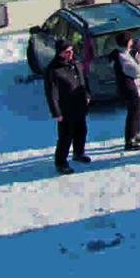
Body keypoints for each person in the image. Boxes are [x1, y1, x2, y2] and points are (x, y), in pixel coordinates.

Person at [43, 38, 91, 175]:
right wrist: (56, 112)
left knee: (81, 130)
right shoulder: (53, 70)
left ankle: (78, 153)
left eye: (71, 51)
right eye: (67, 52)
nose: (70, 54)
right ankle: (61, 162)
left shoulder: (76, 63)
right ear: (59, 53)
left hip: (80, 105)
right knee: (65, 136)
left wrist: (87, 94)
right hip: (66, 109)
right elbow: (51, 92)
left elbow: (83, 80)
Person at [114, 32, 140, 151]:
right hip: (130, 88)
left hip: (137, 87)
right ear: (126, 42)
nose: (132, 42)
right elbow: (136, 71)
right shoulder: (122, 56)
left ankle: (136, 133)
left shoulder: (126, 53)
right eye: (130, 40)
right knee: (133, 113)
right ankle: (129, 140)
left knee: (138, 111)